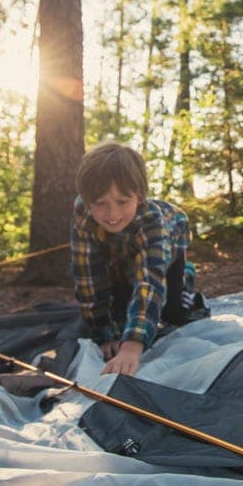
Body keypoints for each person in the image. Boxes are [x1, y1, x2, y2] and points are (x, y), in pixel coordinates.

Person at [70, 142, 204, 377]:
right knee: (120, 309)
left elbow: (149, 281)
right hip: (118, 252)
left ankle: (186, 278)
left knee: (172, 313)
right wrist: (103, 331)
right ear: (87, 199)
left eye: (122, 202)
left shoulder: (152, 221)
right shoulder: (83, 213)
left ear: (139, 196)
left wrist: (132, 346)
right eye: (100, 203)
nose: (112, 214)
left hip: (167, 251)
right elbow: (87, 274)